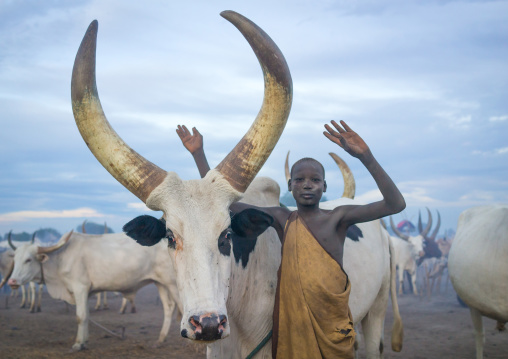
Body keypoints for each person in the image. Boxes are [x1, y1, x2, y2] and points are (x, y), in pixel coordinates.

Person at [176, 120, 406, 359]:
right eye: (300, 180)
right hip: (294, 325)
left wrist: (366, 156)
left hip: (333, 327)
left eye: (315, 180)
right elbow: (226, 202)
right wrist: (199, 155)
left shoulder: (339, 217)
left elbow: (395, 204)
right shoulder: (281, 218)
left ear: (324, 186)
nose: (307, 184)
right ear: (290, 185)